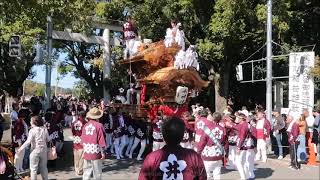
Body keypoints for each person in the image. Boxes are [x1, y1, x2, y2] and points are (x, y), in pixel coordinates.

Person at [139, 117, 207, 179]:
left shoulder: (152, 158)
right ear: (182, 135)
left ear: (163, 135)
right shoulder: (194, 157)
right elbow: (202, 177)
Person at [195, 112, 226, 180]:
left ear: (212, 118)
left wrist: (198, 152)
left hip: (208, 153)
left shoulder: (207, 128)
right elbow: (225, 142)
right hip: (218, 153)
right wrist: (226, 154)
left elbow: (202, 142)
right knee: (217, 174)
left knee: (206, 174)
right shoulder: (223, 129)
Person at [18, 116, 50, 180]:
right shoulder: (44, 129)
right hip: (44, 150)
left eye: (31, 121)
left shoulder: (32, 131)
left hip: (34, 151)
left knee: (33, 169)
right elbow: (48, 139)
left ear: (34, 122)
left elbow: (28, 141)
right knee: (44, 167)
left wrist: (21, 148)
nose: (30, 122)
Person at [81, 107, 106, 180]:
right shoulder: (99, 125)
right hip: (96, 152)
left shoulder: (85, 125)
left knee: (86, 172)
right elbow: (101, 140)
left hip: (86, 151)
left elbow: (83, 140)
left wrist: (83, 151)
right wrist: (103, 153)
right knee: (97, 172)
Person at [71, 111, 87, 176]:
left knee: (76, 155)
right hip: (82, 139)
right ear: (84, 116)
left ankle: (76, 169)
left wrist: (74, 135)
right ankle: (80, 170)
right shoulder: (84, 123)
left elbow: (72, 130)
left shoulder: (74, 122)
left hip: (75, 139)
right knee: (82, 156)